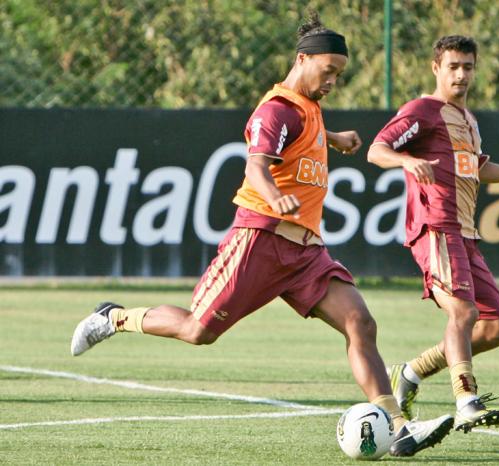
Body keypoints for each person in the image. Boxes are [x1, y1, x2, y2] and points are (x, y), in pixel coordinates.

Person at [70, 15, 454, 458]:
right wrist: (275, 195)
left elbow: (302, 130)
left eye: (339, 74)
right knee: (198, 330)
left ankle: (399, 428)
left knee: (360, 323)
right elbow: (256, 164)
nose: (333, 80)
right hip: (260, 239)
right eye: (327, 70)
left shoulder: (306, 108)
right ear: (302, 59)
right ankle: (113, 317)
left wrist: (333, 137)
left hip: (306, 252)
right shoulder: (275, 109)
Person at [367, 35, 499, 433]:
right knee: (462, 312)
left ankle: (408, 374)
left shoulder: (468, 120)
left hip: (466, 234)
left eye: (468, 67)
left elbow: (480, 170)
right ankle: (466, 399)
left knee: (495, 328)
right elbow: (376, 150)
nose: (461, 74)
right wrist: (406, 161)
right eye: (454, 66)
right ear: (436, 68)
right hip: (435, 228)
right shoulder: (423, 110)